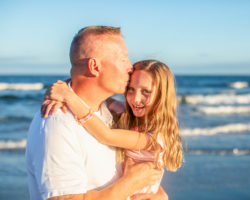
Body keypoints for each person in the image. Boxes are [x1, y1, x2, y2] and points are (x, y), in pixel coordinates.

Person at [25, 26, 167, 200]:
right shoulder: (58, 122)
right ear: (94, 66)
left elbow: (146, 182)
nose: (131, 67)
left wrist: (160, 195)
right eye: (123, 58)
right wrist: (130, 183)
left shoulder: (111, 114)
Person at [42, 60, 183, 199]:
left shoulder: (154, 138)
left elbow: (106, 135)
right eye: (131, 89)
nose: (135, 98)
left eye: (146, 91)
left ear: (162, 96)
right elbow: (92, 94)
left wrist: (69, 97)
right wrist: (63, 87)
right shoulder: (127, 115)